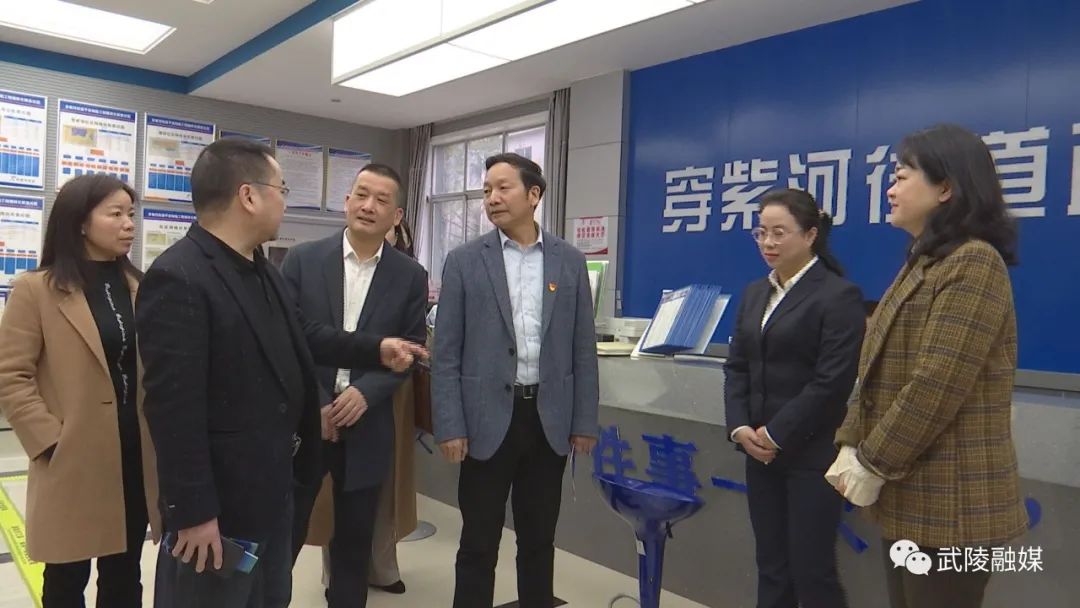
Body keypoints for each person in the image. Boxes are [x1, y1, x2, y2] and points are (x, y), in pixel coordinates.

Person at [136, 139, 425, 608]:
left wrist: (376, 349)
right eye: (282, 190)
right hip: (218, 507)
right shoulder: (180, 276)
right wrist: (193, 512)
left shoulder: (260, 268)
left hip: (272, 487)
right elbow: (173, 411)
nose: (286, 202)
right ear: (249, 196)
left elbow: (303, 334)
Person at [829, 124, 1028, 608]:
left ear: (945, 188)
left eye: (901, 177)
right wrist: (850, 441)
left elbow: (935, 384)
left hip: (954, 505)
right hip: (912, 495)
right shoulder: (923, 262)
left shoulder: (974, 262)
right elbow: (874, 369)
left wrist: (871, 461)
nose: (890, 190)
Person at [433, 153, 599, 608]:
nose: (492, 198)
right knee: (478, 541)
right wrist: (450, 425)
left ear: (534, 194)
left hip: (547, 420)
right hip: (485, 421)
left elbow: (583, 348)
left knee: (539, 539)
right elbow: (445, 352)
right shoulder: (465, 261)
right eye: (487, 190)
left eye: (503, 187)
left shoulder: (569, 261)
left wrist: (584, 420)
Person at [0, 174, 160, 607]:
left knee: (124, 577)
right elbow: (11, 375)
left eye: (131, 214)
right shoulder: (36, 289)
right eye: (116, 214)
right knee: (66, 578)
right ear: (81, 222)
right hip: (72, 458)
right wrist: (51, 442)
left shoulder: (142, 288)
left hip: (134, 457)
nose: (129, 224)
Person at [283, 163, 427, 608]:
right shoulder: (303, 260)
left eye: (382, 200)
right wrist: (318, 403)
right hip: (305, 424)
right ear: (346, 202)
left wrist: (366, 393)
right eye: (361, 195)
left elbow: (410, 350)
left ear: (396, 216)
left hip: (367, 425)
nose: (368, 206)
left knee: (354, 541)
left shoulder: (410, 275)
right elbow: (287, 340)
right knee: (284, 534)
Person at [723, 189, 864, 608]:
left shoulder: (838, 295)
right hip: (759, 453)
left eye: (779, 233)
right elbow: (737, 367)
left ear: (810, 235)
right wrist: (740, 427)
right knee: (771, 566)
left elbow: (832, 382)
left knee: (812, 571)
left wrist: (776, 433)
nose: (768, 242)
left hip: (812, 455)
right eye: (761, 232)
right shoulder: (755, 293)